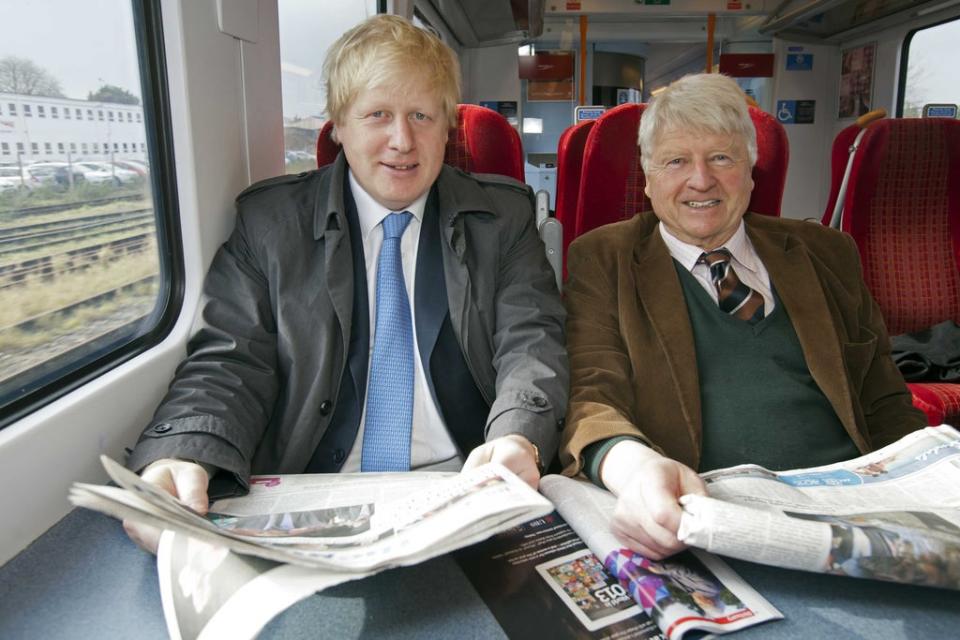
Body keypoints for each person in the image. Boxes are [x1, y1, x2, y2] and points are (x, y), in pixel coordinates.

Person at [124, 15, 567, 551]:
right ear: (338, 123)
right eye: (378, 114)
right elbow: (231, 359)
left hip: (465, 480)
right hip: (313, 486)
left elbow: (532, 341)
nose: (402, 141)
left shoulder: (503, 217)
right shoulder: (269, 225)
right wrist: (185, 453)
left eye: (422, 115)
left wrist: (519, 432)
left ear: (447, 126)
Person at [560, 73, 925, 561]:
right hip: (709, 513)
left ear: (751, 171)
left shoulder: (826, 253)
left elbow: (884, 399)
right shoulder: (605, 259)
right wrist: (634, 467)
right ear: (648, 180)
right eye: (675, 161)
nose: (700, 180)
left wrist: (921, 488)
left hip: (846, 505)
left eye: (721, 158)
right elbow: (592, 397)